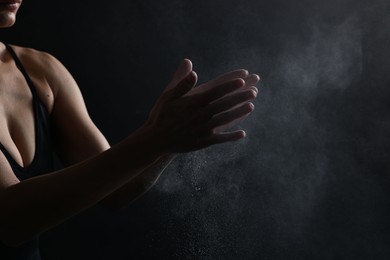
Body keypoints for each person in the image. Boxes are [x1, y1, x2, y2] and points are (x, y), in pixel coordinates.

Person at [0, 0, 260, 259]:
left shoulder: (41, 71)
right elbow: (10, 220)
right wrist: (154, 137)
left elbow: (117, 190)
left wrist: (171, 139)